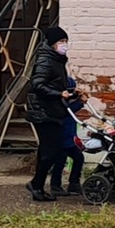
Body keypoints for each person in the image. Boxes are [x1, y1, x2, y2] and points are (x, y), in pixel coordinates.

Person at [25, 26, 74, 202]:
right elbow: (37, 85)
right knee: (52, 152)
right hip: (43, 111)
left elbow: (55, 85)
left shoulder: (57, 60)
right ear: (52, 44)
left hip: (51, 110)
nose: (64, 45)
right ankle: (36, 185)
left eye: (66, 41)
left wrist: (71, 91)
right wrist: (59, 94)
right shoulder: (46, 60)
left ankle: (36, 185)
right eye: (61, 42)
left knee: (47, 151)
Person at [51, 77, 87, 196]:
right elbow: (67, 110)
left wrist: (78, 97)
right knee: (60, 161)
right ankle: (55, 185)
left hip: (69, 137)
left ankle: (74, 183)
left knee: (78, 158)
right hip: (61, 136)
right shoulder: (58, 102)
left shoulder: (67, 97)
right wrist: (80, 102)